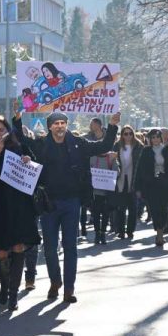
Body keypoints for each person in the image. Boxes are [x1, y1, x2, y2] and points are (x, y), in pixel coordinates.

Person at [13, 109, 120, 303]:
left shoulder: (79, 144)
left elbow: (104, 144)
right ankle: (56, 281)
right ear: (50, 127)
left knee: (71, 247)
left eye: (63, 123)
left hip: (72, 202)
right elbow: (22, 140)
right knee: (50, 248)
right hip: (49, 204)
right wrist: (17, 120)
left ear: (67, 125)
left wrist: (112, 125)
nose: (60, 126)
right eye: (56, 123)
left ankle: (69, 288)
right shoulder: (42, 144)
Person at [0, 116, 39, 310]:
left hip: (19, 207)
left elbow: (34, 170)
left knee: (19, 247)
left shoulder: (19, 148)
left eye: (1, 130)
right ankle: (4, 285)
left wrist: (28, 161)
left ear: (8, 131)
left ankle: (13, 294)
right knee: (1, 252)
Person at [135, 129, 168, 247]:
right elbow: (140, 170)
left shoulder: (167, 150)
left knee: (163, 209)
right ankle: (159, 234)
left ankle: (161, 231)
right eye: (153, 138)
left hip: (165, 185)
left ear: (161, 138)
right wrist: (137, 187)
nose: (155, 140)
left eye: (157, 137)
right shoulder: (146, 151)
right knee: (154, 209)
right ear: (150, 139)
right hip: (151, 185)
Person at [113, 125, 143, 240]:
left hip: (134, 179)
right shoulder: (117, 145)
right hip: (120, 179)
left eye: (130, 133)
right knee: (121, 207)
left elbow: (141, 165)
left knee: (133, 208)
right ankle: (120, 230)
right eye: (125, 134)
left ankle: (130, 230)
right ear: (122, 135)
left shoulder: (139, 146)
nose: (128, 136)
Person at [89, 150, 119, 244]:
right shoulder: (93, 158)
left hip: (107, 192)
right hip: (96, 192)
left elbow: (117, 172)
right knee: (96, 214)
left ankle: (103, 233)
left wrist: (111, 173)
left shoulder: (111, 158)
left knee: (106, 214)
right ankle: (97, 233)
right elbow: (88, 170)